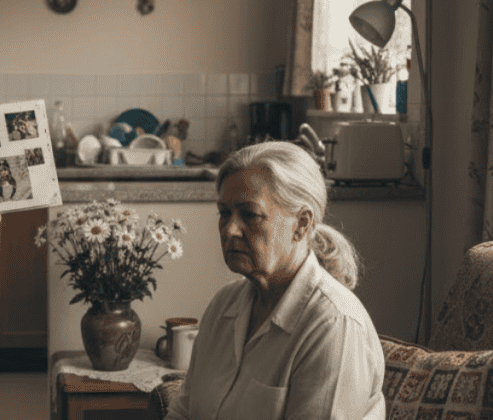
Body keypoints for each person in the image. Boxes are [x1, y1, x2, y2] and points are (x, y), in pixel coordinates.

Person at [165, 141, 385, 420]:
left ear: (301, 224)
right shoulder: (223, 305)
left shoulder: (333, 325)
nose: (230, 229)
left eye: (249, 214)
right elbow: (183, 413)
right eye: (224, 213)